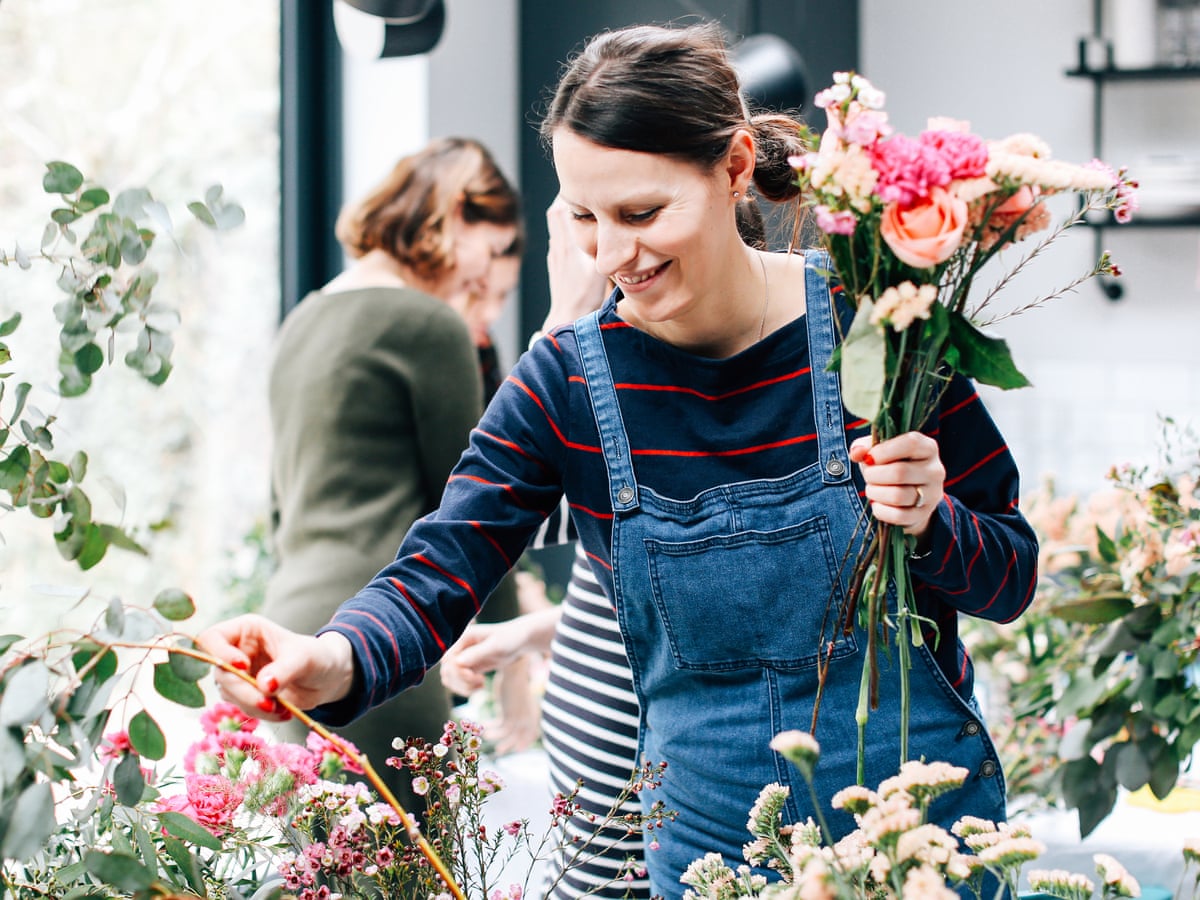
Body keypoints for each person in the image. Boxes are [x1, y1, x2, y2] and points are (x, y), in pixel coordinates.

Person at [202, 22, 1037, 899]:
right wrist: (332, 657)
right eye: (585, 219)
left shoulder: (879, 328)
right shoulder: (568, 384)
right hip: (716, 864)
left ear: (736, 166)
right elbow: (442, 563)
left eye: (642, 213)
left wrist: (932, 522)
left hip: (921, 852)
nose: (613, 256)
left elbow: (1010, 578)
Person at [438, 190, 769, 900]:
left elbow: (532, 507)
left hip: (641, 803)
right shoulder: (615, 371)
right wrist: (538, 631)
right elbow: (643, 579)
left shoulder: (658, 383)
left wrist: (566, 317)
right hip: (600, 807)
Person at [259, 136, 525, 812]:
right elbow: (476, 515)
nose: (486, 288)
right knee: (411, 876)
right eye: (492, 253)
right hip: (376, 648)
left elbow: (280, 507)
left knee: (320, 876)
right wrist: (514, 669)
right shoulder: (427, 324)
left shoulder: (304, 319)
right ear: (452, 214)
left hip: (291, 634)